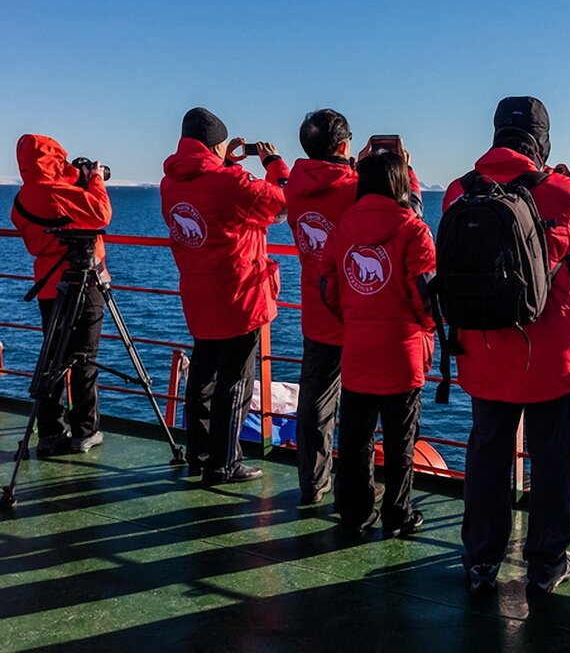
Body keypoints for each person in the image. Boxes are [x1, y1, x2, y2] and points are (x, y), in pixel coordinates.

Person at [445, 96, 570, 593]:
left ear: (497, 132)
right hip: (550, 356)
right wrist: (569, 185)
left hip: (482, 348)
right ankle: (545, 564)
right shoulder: (559, 189)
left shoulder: (461, 189)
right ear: (542, 140)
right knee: (551, 463)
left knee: (487, 459)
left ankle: (481, 561)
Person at [285, 109, 423, 506]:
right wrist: (401, 170)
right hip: (362, 309)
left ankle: (313, 482)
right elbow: (406, 213)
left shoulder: (293, 186)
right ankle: (367, 492)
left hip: (317, 303)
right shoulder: (356, 188)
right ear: (344, 145)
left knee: (315, 398)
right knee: (366, 414)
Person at [160, 107, 289, 486]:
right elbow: (281, 204)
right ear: (217, 145)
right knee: (236, 382)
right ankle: (225, 463)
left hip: (199, 294)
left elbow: (216, 193)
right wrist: (274, 164)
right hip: (239, 297)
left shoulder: (171, 182)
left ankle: (199, 454)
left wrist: (227, 165)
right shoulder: (228, 183)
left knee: (202, 376)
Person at [318, 151, 434, 537]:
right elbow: (427, 296)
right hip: (401, 353)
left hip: (358, 349)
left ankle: (354, 511)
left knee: (355, 438)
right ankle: (398, 516)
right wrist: (426, 326)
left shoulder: (342, 228)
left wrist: (353, 318)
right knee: (401, 441)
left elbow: (328, 287)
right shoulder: (413, 230)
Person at [10, 134, 112, 454]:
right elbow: (101, 213)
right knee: (84, 357)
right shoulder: (57, 193)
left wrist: (72, 178)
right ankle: (85, 430)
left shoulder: (23, 197)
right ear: (54, 160)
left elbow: (51, 208)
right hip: (83, 281)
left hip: (49, 284)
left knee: (53, 357)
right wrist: (94, 179)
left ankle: (50, 430)